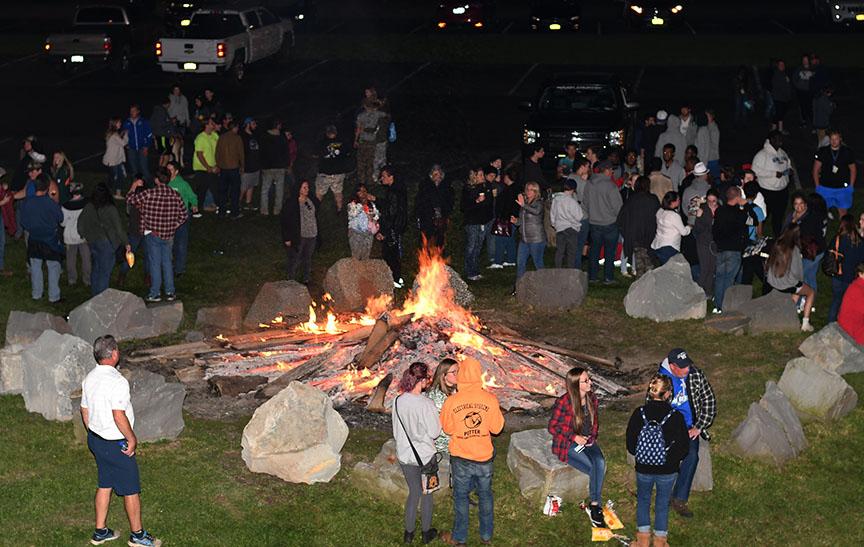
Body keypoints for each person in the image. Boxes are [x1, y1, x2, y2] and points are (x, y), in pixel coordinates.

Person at [81, 335, 162, 547]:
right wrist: (131, 438)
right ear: (115, 353)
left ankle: (100, 532)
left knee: (105, 483)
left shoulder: (89, 378)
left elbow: (84, 408)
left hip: (96, 440)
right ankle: (138, 536)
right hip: (116, 444)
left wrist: (93, 430)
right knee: (131, 489)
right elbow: (119, 415)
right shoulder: (118, 381)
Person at [439, 357, 504, 546]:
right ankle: (486, 535)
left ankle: (460, 537)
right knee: (485, 495)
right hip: (483, 457)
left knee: (460, 496)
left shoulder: (452, 401)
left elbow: (448, 428)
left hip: (461, 456)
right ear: (478, 375)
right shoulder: (490, 399)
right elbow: (497, 428)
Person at [626, 374, 690, 547]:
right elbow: (684, 447)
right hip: (668, 470)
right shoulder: (676, 416)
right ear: (668, 393)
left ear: (651, 392)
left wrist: (643, 455)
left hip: (644, 469)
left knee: (644, 500)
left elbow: (631, 445)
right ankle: (660, 541)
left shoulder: (639, 413)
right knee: (662, 503)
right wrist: (671, 460)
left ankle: (643, 540)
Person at [657, 349, 716, 519]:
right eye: (682, 367)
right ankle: (664, 494)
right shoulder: (661, 380)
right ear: (673, 366)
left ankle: (679, 499)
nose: (687, 370)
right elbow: (653, 408)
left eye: (688, 365)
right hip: (669, 426)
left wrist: (699, 426)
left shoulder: (695, 375)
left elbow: (709, 402)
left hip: (690, 426)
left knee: (692, 455)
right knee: (667, 454)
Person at [547, 367, 606, 528]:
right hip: (568, 443)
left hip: (587, 442)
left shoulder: (591, 398)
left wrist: (590, 438)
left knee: (600, 463)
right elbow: (553, 426)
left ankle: (593, 504)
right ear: (575, 385)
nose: (590, 383)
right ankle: (596, 506)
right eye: (586, 381)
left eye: (589, 379)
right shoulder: (564, 402)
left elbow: (595, 423)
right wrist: (574, 437)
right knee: (595, 468)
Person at [392, 362, 441, 545]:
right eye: (428, 378)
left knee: (414, 492)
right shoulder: (426, 404)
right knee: (427, 493)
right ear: (421, 380)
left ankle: (408, 534)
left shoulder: (397, 400)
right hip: (425, 457)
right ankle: (426, 533)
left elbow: (397, 431)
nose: (429, 381)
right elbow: (435, 432)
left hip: (405, 456)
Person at [127, 168, 188, 302]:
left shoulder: (149, 194)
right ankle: (170, 292)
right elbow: (184, 215)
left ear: (156, 180)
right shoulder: (175, 195)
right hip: (169, 234)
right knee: (167, 262)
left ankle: (155, 293)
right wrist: (174, 225)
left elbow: (131, 200)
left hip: (153, 233)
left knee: (155, 263)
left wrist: (134, 186)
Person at [78, 183, 129, 296]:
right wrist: (126, 243)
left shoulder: (89, 206)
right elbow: (119, 229)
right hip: (106, 243)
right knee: (104, 272)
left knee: (96, 268)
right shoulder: (110, 209)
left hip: (92, 242)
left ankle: (94, 294)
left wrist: (84, 236)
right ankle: (101, 298)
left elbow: (81, 223)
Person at [19, 175, 64, 303]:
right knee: (53, 266)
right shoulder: (50, 203)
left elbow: (23, 222)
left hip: (34, 238)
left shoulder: (27, 202)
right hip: (50, 239)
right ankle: (53, 296)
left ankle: (36, 294)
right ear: (47, 187)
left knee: (35, 266)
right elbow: (60, 218)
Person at [766, 226, 816, 331]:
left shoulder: (777, 244)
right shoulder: (794, 249)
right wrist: (799, 283)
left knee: (797, 291)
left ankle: (787, 314)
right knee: (810, 292)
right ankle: (805, 324)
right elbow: (797, 272)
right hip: (786, 284)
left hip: (772, 281)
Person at [712, 186, 752, 313]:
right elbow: (753, 221)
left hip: (721, 249)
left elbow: (715, 229)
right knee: (729, 279)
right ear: (738, 197)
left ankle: (718, 305)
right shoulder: (739, 213)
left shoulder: (719, 211)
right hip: (734, 250)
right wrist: (746, 206)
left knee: (719, 278)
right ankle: (726, 307)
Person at [584, 160, 623, 283]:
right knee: (610, 252)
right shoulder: (610, 186)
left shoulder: (589, 184)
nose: (612, 172)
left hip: (594, 223)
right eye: (611, 170)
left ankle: (593, 276)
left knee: (594, 251)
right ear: (606, 170)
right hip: (610, 224)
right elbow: (618, 207)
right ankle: (608, 277)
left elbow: (585, 203)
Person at [784, 192, 827, 300]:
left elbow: (803, 237)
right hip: (803, 252)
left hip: (813, 252)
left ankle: (800, 301)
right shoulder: (791, 216)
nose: (799, 206)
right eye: (796, 204)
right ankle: (810, 300)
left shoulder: (810, 217)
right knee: (810, 276)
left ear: (806, 204)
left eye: (802, 203)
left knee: (799, 277)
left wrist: (794, 225)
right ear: (793, 205)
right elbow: (785, 232)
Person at [617, 176, 659, 278]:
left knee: (640, 261)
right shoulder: (653, 199)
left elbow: (621, 218)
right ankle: (647, 281)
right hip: (649, 235)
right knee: (648, 261)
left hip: (635, 234)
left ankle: (641, 282)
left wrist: (626, 232)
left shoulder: (632, 200)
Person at [752, 131, 791, 237]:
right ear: (771, 140)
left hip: (782, 191)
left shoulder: (782, 153)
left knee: (778, 216)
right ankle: (756, 235)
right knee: (763, 216)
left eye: (781, 139)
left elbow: (788, 165)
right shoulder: (762, 155)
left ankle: (777, 237)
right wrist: (773, 174)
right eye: (778, 139)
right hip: (767, 191)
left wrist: (789, 170)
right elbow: (755, 171)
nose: (781, 141)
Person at [827, 214, 864, 322]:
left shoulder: (841, 237)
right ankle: (841, 325)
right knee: (845, 302)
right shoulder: (858, 241)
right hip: (850, 277)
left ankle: (831, 325)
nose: (860, 222)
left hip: (838, 275)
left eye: (862, 220)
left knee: (836, 300)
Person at [280, 179, 318, 285]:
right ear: (298, 189)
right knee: (295, 258)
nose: (307, 189)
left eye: (308, 187)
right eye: (304, 187)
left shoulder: (310, 200)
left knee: (307, 258)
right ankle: (290, 279)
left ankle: (306, 278)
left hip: (312, 234)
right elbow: (285, 221)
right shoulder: (292, 203)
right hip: (299, 235)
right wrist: (287, 238)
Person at [813, 130, 857, 218]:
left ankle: (843, 230)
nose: (834, 141)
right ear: (829, 139)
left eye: (836, 139)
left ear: (840, 139)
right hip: (825, 187)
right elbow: (815, 170)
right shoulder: (822, 151)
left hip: (842, 188)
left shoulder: (847, 151)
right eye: (832, 139)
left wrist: (851, 186)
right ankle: (822, 230)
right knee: (822, 211)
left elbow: (853, 170)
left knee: (843, 212)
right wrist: (818, 186)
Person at [376, 166, 408, 287]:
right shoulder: (398, 190)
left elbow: (391, 213)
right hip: (396, 227)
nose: (381, 178)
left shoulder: (394, 192)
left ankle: (394, 280)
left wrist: (384, 231)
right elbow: (388, 206)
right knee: (394, 254)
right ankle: (397, 279)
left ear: (391, 177)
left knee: (390, 255)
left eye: (383, 176)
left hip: (392, 229)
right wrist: (376, 199)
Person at [461, 166, 494, 281]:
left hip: (483, 222)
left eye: (482, 174)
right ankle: (469, 271)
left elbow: (489, 203)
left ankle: (475, 270)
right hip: (472, 222)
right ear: (474, 176)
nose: (482, 177)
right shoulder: (468, 189)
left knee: (478, 246)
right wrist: (476, 201)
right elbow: (464, 207)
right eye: (479, 175)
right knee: (471, 246)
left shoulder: (486, 187)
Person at [166, 161, 197, 277]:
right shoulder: (165, 182)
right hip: (168, 217)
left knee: (181, 243)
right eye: (167, 169)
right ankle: (169, 265)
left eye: (171, 170)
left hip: (181, 216)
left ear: (177, 171)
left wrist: (194, 204)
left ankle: (179, 269)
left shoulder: (182, 184)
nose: (168, 172)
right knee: (169, 243)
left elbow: (192, 196)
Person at [415, 165, 453, 253]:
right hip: (427, 218)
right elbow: (420, 202)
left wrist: (444, 212)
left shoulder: (446, 187)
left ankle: (439, 260)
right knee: (425, 241)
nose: (437, 176)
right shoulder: (425, 186)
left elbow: (449, 202)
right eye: (434, 174)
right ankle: (426, 261)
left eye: (438, 174)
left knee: (440, 241)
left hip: (441, 218)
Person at [314, 125, 350, 212]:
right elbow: (347, 154)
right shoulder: (342, 141)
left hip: (325, 172)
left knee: (319, 193)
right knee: (337, 192)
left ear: (327, 133)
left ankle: (315, 210)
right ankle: (339, 209)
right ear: (335, 132)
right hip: (338, 172)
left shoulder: (322, 142)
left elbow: (316, 154)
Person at [489, 165, 519, 269]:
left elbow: (505, 205)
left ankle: (498, 262)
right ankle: (511, 260)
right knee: (510, 240)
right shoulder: (516, 188)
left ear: (508, 177)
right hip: (513, 218)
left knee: (500, 240)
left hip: (506, 219)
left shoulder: (509, 190)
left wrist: (501, 217)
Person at [514, 181, 545, 281]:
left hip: (536, 239)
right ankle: (519, 287)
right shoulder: (525, 203)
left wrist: (523, 205)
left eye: (532, 190)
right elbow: (522, 220)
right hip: (524, 239)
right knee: (520, 263)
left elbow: (536, 212)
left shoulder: (539, 203)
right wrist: (516, 221)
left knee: (538, 262)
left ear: (536, 191)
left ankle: (544, 284)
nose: (529, 192)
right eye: (527, 189)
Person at [550, 178, 583, 269]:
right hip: (571, 229)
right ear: (573, 189)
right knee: (571, 252)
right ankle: (570, 270)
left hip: (560, 228)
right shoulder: (572, 202)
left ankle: (558, 269)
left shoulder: (556, 200)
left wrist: (554, 224)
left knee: (560, 251)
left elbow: (553, 214)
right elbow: (579, 216)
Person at [61, 183, 90, 287]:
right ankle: (87, 280)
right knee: (86, 258)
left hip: (70, 236)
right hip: (83, 235)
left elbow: (62, 223)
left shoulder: (65, 206)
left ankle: (72, 280)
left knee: (71, 259)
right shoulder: (87, 204)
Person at [259, 119, 290, 216]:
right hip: (280, 167)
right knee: (279, 190)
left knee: (265, 189)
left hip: (267, 167)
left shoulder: (264, 137)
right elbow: (286, 152)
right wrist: (287, 165)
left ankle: (264, 210)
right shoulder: (282, 137)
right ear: (278, 126)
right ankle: (277, 210)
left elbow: (261, 152)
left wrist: (262, 165)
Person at [427, 358, 458, 454]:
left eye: (458, 371)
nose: (458, 374)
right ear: (444, 375)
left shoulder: (454, 389)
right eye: (454, 372)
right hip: (443, 442)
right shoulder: (438, 396)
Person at [215, 120, 244, 218]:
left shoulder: (221, 137)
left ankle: (222, 212)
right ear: (235, 128)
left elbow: (217, 153)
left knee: (222, 191)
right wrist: (242, 166)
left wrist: (219, 165)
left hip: (223, 169)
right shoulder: (237, 138)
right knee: (235, 191)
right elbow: (241, 153)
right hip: (234, 168)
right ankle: (234, 212)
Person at [693, 188, 720, 297]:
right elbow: (697, 230)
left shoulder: (721, 210)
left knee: (712, 268)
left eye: (713, 201)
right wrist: (698, 218)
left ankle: (708, 293)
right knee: (704, 268)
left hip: (715, 243)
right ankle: (696, 293)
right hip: (703, 242)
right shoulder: (702, 209)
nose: (711, 203)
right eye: (709, 201)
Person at [651, 192, 690, 266]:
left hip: (657, 245)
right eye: (678, 199)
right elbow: (684, 232)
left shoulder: (660, 211)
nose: (679, 201)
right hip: (669, 247)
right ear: (673, 202)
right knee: (669, 272)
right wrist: (690, 227)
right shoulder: (673, 216)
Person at [354, 98, 386, 186]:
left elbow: (358, 129)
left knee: (361, 162)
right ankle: (370, 181)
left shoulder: (361, 116)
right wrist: (380, 104)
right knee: (370, 162)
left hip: (363, 141)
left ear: (364, 106)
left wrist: (356, 140)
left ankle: (362, 181)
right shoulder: (378, 114)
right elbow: (386, 114)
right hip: (372, 142)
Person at [192, 117, 220, 216]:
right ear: (206, 125)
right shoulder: (200, 137)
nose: (214, 124)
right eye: (211, 123)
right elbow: (199, 154)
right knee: (201, 190)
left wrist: (217, 165)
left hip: (213, 168)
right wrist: (208, 167)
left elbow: (218, 151)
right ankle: (196, 210)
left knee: (215, 188)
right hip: (202, 169)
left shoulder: (214, 135)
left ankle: (219, 207)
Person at [347, 183, 379, 260]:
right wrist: (362, 205)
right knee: (356, 256)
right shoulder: (352, 204)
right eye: (360, 191)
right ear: (356, 193)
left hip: (368, 233)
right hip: (355, 232)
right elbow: (352, 214)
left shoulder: (371, 204)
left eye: (364, 191)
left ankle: (364, 271)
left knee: (366, 256)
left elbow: (377, 214)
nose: (363, 193)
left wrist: (373, 217)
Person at [123, 104, 153, 183]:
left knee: (144, 167)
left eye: (134, 111)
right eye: (131, 111)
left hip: (142, 148)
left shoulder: (144, 121)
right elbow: (123, 135)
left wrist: (146, 146)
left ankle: (148, 184)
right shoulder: (127, 122)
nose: (132, 112)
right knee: (134, 168)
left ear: (138, 111)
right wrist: (126, 144)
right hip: (131, 148)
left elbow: (149, 135)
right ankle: (135, 184)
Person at [838, 263, 864, 344]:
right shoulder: (856, 288)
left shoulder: (859, 286)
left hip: (856, 324)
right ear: (860, 274)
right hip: (851, 328)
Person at [239, 118, 261, 212]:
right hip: (246, 166)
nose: (255, 125)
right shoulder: (242, 136)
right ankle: (236, 204)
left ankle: (248, 203)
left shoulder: (255, 135)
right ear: (248, 124)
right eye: (253, 123)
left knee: (251, 185)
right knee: (243, 186)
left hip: (255, 165)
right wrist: (241, 165)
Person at [103, 118, 128, 198]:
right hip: (112, 160)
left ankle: (117, 194)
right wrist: (126, 134)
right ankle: (106, 193)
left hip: (116, 160)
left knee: (119, 176)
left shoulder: (113, 133)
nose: (120, 123)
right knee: (114, 178)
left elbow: (117, 141)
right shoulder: (114, 135)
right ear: (114, 124)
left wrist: (122, 134)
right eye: (118, 122)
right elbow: (123, 143)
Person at [770, 60, 792, 133]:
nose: (782, 66)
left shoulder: (784, 74)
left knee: (780, 113)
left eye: (783, 65)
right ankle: (776, 128)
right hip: (779, 98)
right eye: (780, 65)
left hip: (784, 98)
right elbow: (779, 87)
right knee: (779, 113)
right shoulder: (777, 74)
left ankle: (778, 128)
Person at [793, 55, 814, 128]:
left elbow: (815, 80)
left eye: (806, 60)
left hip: (809, 91)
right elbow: (794, 79)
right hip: (801, 91)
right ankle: (803, 121)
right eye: (803, 60)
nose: (805, 61)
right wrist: (798, 86)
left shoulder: (812, 69)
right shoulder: (799, 69)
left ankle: (812, 123)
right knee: (802, 107)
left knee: (810, 107)